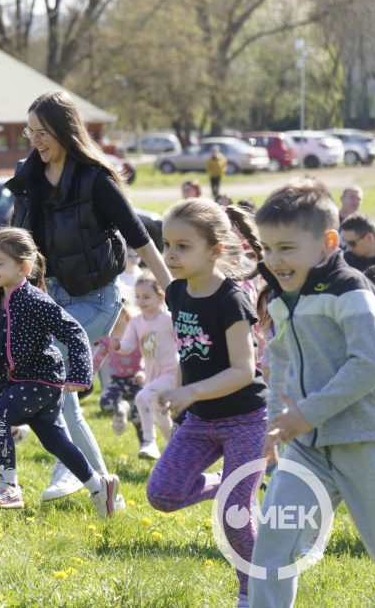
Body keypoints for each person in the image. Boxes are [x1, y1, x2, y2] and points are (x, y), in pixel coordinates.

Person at [0, 91, 171, 504]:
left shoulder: (95, 179)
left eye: (43, 132)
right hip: (51, 298)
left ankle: (73, 472)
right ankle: (104, 489)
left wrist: (175, 292)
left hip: (97, 300)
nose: (36, 140)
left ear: (65, 130)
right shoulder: (30, 179)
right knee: (63, 394)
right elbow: (13, 244)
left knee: (53, 376)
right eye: (30, 132)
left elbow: (140, 239)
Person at [249, 180, 375, 608]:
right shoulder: (286, 296)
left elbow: (370, 364)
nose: (274, 260)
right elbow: (280, 359)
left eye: (285, 247)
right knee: (272, 545)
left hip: (364, 443)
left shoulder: (351, 291)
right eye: (266, 248)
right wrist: (274, 423)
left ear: (327, 242)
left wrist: (307, 413)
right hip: (306, 450)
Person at [145, 198, 267, 607]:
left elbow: (243, 370)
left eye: (183, 246)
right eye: (167, 245)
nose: (171, 254)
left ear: (216, 250)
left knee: (236, 517)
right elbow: (189, 350)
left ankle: (252, 591)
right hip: (198, 420)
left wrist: (190, 392)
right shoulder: (177, 292)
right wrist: (178, 393)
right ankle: (225, 486)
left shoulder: (232, 300)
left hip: (247, 420)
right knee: (161, 495)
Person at [0, 227, 121, 514]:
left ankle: (8, 486)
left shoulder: (35, 300)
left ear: (23, 268)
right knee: (54, 440)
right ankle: (98, 486)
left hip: (40, 381)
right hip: (15, 383)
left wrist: (80, 375)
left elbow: (75, 332)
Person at [113, 273, 179, 460]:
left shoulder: (168, 319)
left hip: (171, 372)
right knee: (161, 418)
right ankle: (174, 454)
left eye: (146, 296)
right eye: (138, 296)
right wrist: (118, 346)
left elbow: (183, 342)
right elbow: (128, 345)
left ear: (161, 297)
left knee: (142, 398)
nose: (141, 301)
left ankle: (149, 441)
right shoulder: (136, 322)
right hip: (152, 376)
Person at [94, 304, 143, 445]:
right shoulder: (107, 339)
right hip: (117, 380)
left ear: (124, 314)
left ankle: (145, 443)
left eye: (115, 314)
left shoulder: (137, 333)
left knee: (138, 416)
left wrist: (144, 372)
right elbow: (98, 358)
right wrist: (87, 375)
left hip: (137, 380)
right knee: (106, 402)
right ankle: (121, 408)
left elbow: (147, 355)